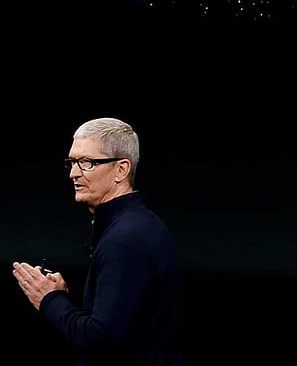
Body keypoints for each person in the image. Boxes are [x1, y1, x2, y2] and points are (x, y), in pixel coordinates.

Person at [12, 117, 184, 366]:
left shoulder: (126, 239)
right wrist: (62, 298)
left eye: (87, 163)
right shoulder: (132, 226)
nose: (73, 173)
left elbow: (101, 340)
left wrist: (49, 300)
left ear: (121, 170)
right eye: (72, 162)